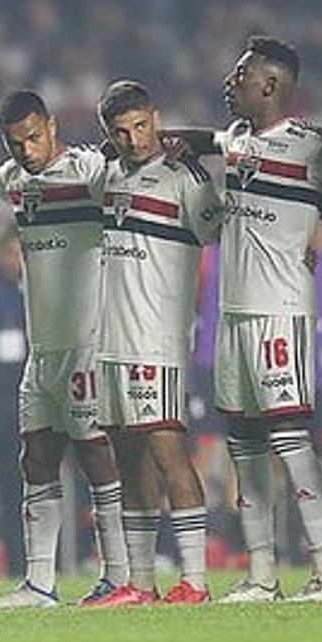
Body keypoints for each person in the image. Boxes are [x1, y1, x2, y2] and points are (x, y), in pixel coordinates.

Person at [180, 36, 322, 604]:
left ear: (271, 85)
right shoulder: (236, 140)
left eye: (241, 73)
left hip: (282, 315)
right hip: (231, 318)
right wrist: (172, 139)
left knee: (293, 443)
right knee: (244, 448)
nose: (230, 81)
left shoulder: (314, 146)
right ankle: (261, 575)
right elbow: (207, 139)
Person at [0, 90, 129, 608]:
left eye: (34, 137)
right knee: (37, 457)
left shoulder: (90, 171)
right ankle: (39, 583)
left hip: (87, 343)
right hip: (43, 350)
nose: (27, 150)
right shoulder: (14, 178)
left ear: (52, 126)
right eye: (15, 142)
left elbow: (128, 172)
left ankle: (118, 576)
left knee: (97, 454)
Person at [86, 80, 223, 607]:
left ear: (156, 119)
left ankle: (196, 581)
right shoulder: (110, 175)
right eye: (120, 132)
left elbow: (221, 233)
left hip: (157, 340)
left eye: (142, 126)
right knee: (129, 459)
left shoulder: (184, 176)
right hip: (113, 340)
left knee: (169, 452)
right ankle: (139, 583)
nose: (134, 139)